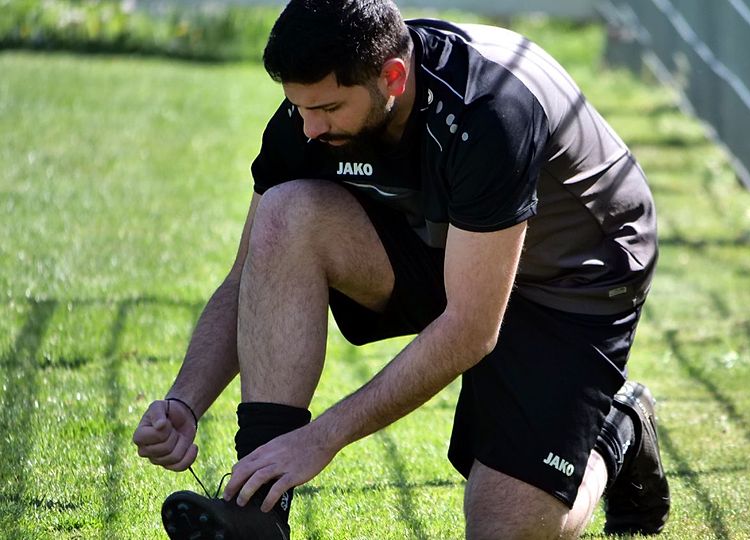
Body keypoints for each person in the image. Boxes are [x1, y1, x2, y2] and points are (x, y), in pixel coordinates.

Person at [132, 1, 668, 538]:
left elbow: (470, 329)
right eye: (299, 106)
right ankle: (258, 507)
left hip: (576, 276)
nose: (310, 128)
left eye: (329, 108)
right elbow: (244, 278)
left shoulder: (490, 111)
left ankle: (616, 430)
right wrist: (185, 401)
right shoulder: (313, 113)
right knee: (285, 213)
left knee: (505, 529)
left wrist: (321, 438)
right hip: (452, 243)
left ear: (392, 76)